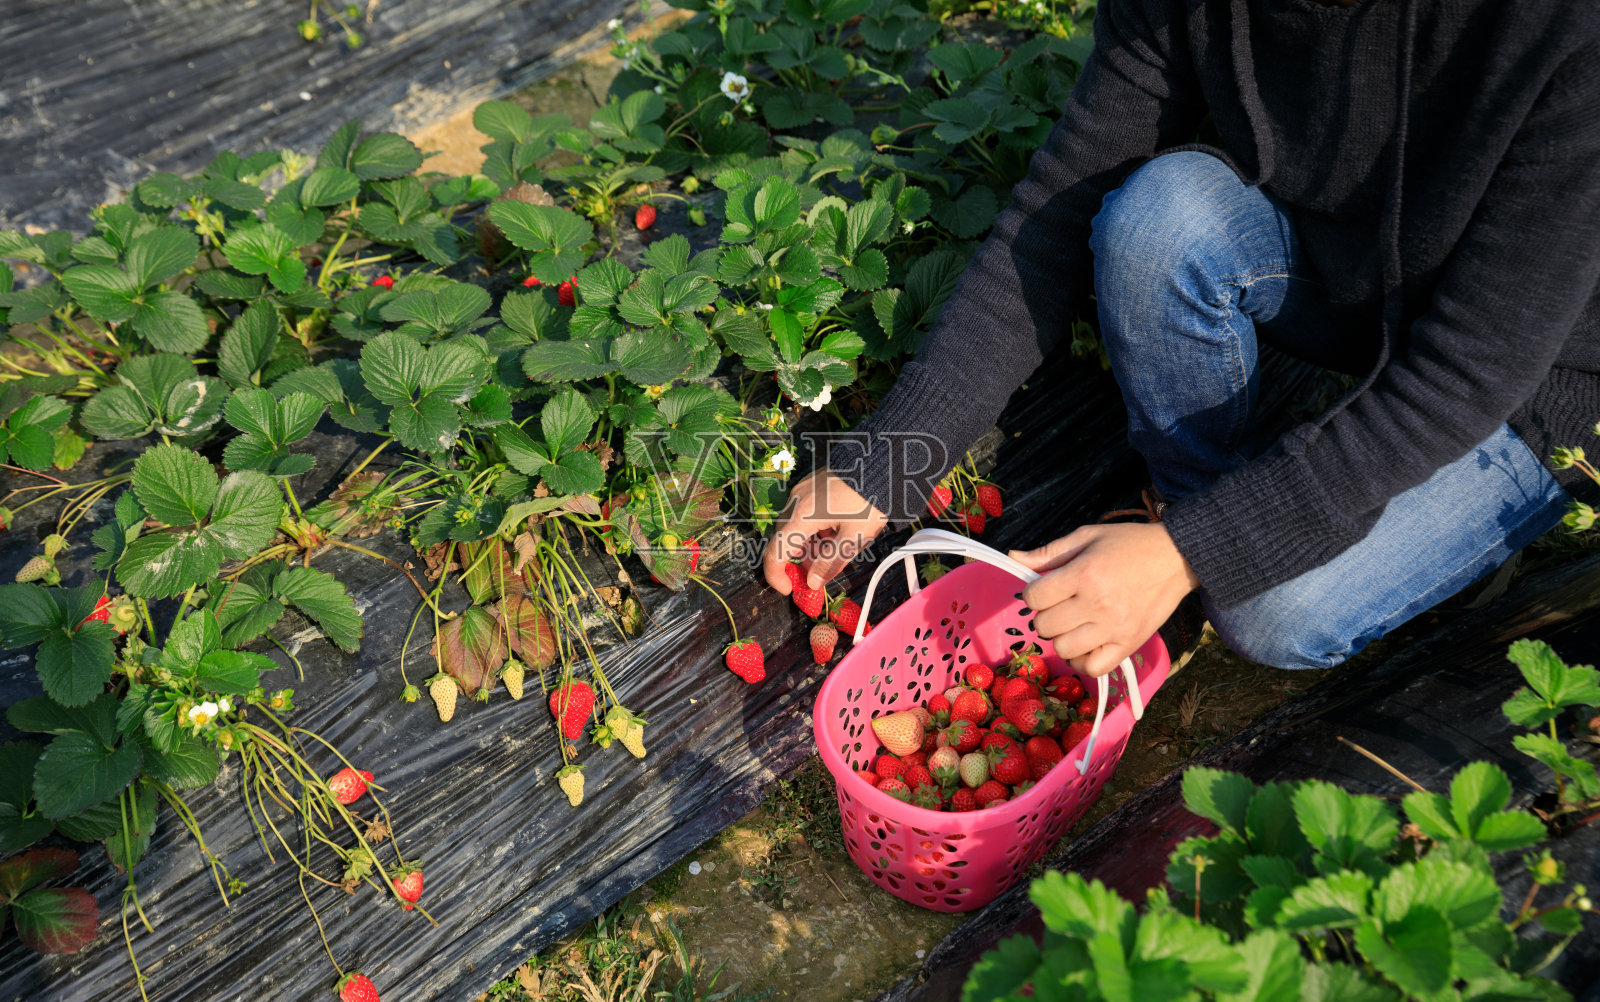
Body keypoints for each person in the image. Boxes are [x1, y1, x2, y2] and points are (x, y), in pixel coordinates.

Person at [762, 0, 1600, 676]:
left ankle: (1186, 560)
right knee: (1162, 218)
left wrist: (1195, 552)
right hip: (1354, 280)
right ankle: (1184, 529)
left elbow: (1465, 374)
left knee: (1276, 612)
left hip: (1541, 375)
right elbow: (1054, 213)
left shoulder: (1561, 32)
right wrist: (888, 460)